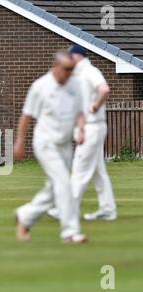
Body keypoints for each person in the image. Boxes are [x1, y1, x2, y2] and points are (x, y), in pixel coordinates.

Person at [14, 52, 87, 243]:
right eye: (67, 69)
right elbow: (26, 116)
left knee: (53, 188)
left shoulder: (76, 85)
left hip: (64, 144)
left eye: (73, 69)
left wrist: (81, 129)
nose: (70, 73)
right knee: (64, 183)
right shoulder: (40, 87)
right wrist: (19, 143)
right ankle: (70, 232)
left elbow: (80, 111)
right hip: (45, 143)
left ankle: (25, 216)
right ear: (55, 66)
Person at [48, 45, 117, 222]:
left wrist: (94, 106)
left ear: (78, 56)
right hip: (90, 127)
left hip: (91, 127)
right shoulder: (79, 74)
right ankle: (108, 209)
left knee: (80, 170)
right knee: (98, 172)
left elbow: (104, 89)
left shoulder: (89, 71)